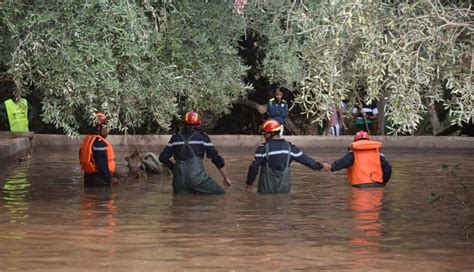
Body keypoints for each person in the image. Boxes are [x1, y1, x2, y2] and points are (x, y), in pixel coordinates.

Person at [159, 111, 232, 194]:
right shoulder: (202, 138)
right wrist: (226, 178)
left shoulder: (175, 138)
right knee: (221, 195)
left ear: (183, 124)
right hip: (197, 179)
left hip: (179, 181)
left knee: (180, 204)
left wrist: (174, 168)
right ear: (199, 125)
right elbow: (216, 159)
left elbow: (162, 157)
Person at [245, 119, 324, 194]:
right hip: (284, 192)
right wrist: (321, 166)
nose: (264, 136)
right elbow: (307, 161)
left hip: (266, 192)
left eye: (265, 134)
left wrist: (249, 183)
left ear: (270, 133)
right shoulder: (290, 148)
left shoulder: (262, 149)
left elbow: (254, 168)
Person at [323, 131, 392, 188]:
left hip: (359, 185)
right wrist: (383, 182)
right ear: (368, 140)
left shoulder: (353, 153)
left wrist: (331, 167)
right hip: (377, 184)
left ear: (355, 141)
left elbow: (343, 162)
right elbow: (388, 169)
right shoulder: (378, 154)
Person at [79, 112, 117, 187]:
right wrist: (109, 179)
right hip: (100, 180)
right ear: (99, 128)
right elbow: (101, 165)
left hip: (88, 178)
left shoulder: (87, 140)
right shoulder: (99, 143)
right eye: (106, 128)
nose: (108, 131)